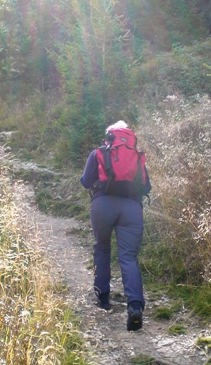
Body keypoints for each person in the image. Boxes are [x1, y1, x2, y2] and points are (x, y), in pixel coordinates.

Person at [80, 120, 151, 331]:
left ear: (109, 136)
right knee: (128, 257)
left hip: (102, 206)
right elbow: (146, 187)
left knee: (102, 248)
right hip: (131, 209)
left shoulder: (99, 153)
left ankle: (103, 297)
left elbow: (85, 182)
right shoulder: (136, 156)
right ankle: (135, 306)